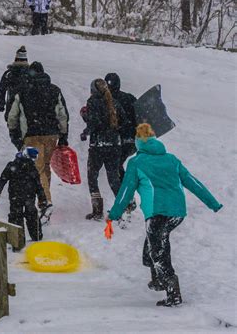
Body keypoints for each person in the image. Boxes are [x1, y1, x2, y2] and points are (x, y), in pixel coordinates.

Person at [107, 123, 223, 307]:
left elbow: (126, 190)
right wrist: (213, 203)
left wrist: (114, 213)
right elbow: (193, 182)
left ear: (138, 143)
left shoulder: (137, 162)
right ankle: (158, 279)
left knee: (158, 251)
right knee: (155, 246)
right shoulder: (172, 159)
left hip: (157, 213)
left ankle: (173, 292)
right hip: (177, 213)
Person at [7, 61, 69, 212]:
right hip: (51, 135)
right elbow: (62, 115)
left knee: (38, 168)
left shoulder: (22, 91)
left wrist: (14, 133)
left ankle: (45, 202)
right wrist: (63, 134)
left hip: (31, 136)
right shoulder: (54, 90)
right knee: (45, 166)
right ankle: (44, 198)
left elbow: (12, 116)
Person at [80, 78, 127, 220]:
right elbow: (124, 121)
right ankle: (121, 208)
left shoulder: (93, 101)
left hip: (98, 146)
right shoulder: (114, 102)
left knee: (92, 176)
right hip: (114, 145)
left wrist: (85, 129)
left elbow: (94, 122)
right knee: (113, 178)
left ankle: (97, 210)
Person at [0, 147, 46, 243]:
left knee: (31, 215)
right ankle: (17, 241)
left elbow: (38, 185)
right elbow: (2, 179)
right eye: (32, 159)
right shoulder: (13, 166)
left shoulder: (32, 168)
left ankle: (36, 238)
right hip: (16, 196)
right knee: (16, 217)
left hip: (29, 197)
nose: (33, 161)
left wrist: (42, 199)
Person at [0, 46, 29, 118]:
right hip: (28, 109)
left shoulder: (9, 74)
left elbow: (2, 89)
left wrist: (1, 103)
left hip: (12, 108)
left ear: (16, 59)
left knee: (13, 126)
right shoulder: (31, 74)